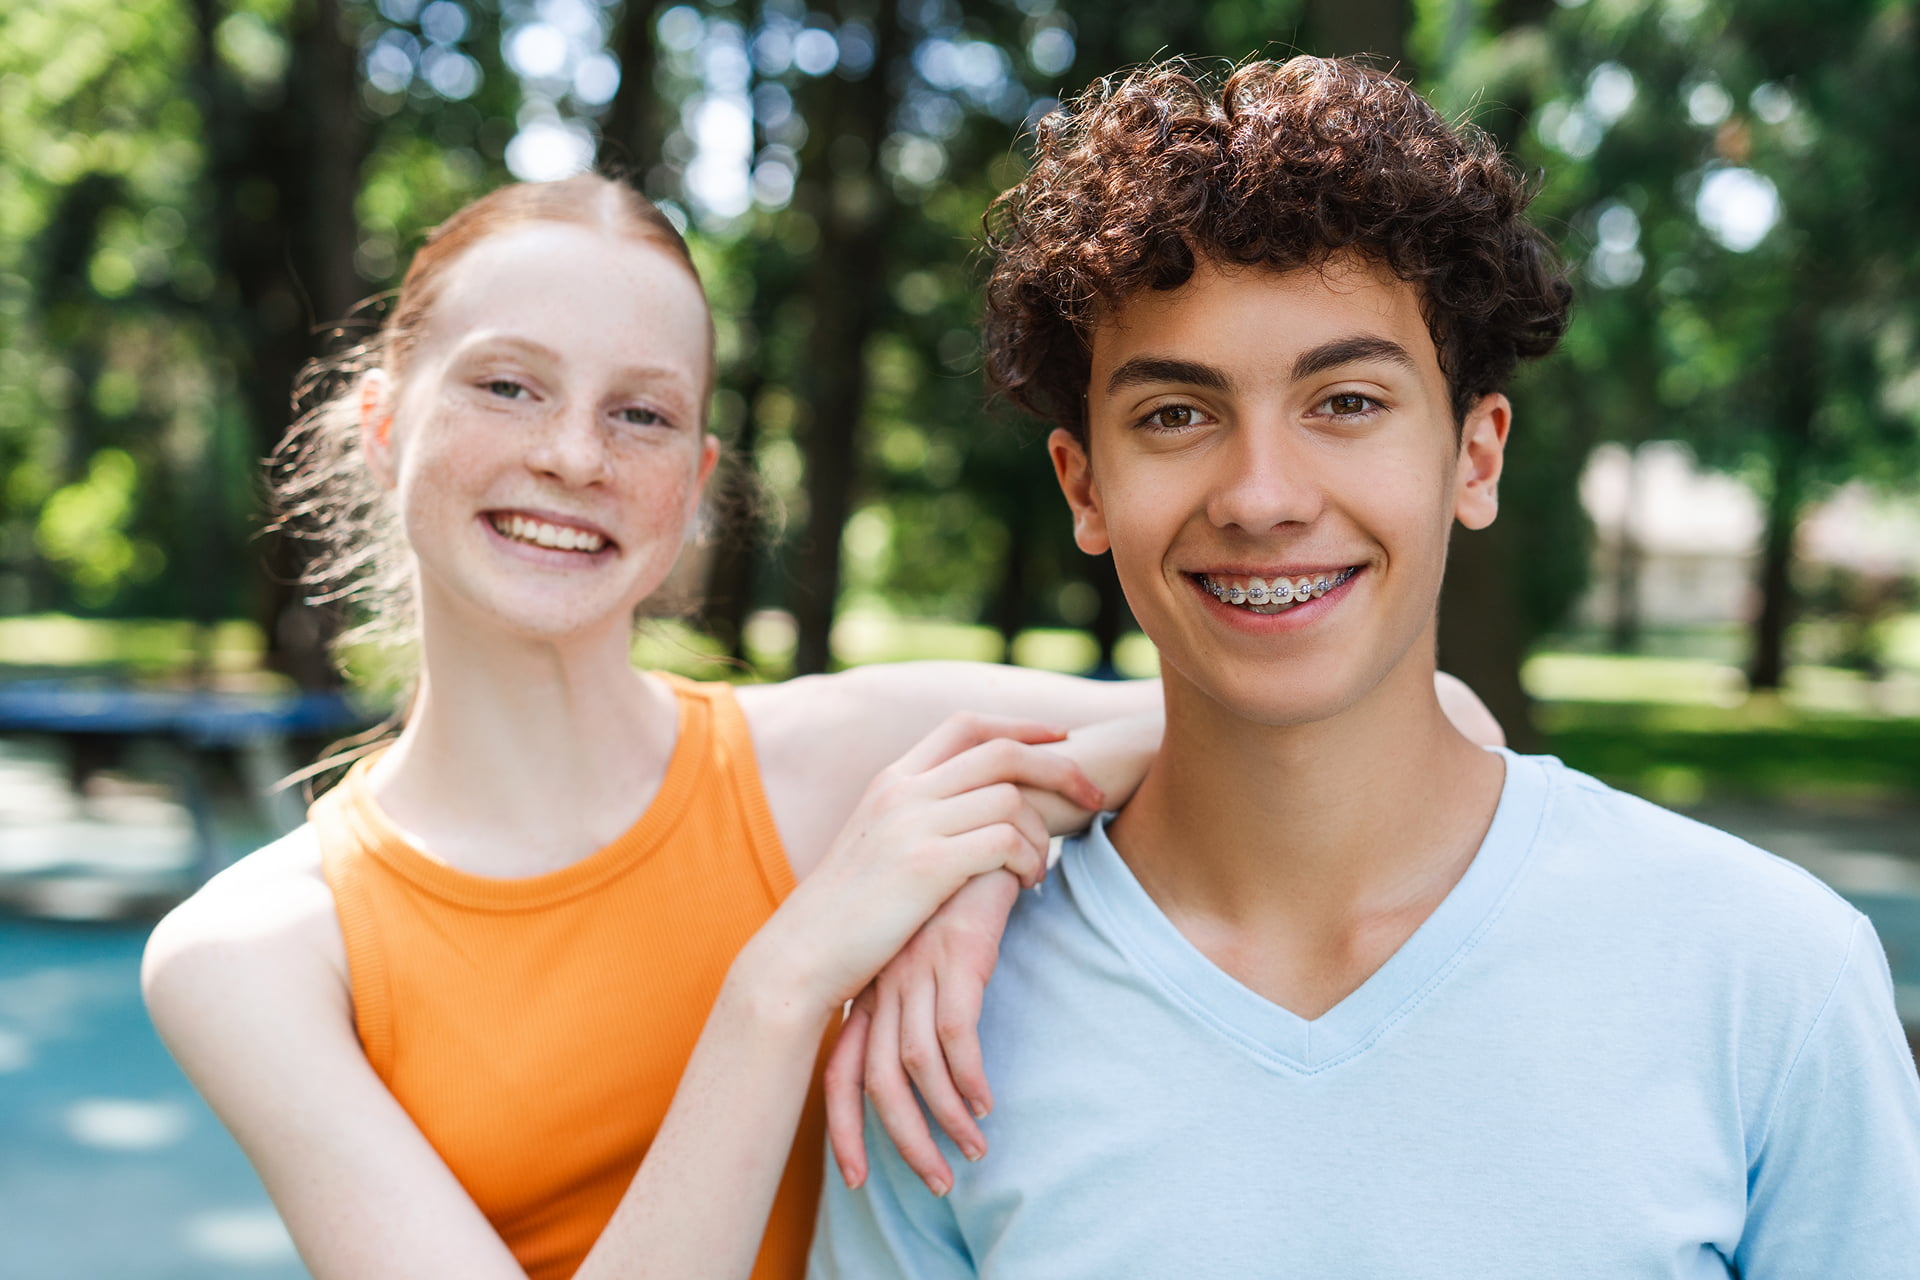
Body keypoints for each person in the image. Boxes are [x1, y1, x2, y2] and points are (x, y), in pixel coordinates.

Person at [812, 56, 1920, 1278]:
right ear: (1085, 485)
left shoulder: (1766, 970)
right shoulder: (943, 1028)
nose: (1264, 497)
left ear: (1476, 456)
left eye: (1345, 401)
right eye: (1177, 413)